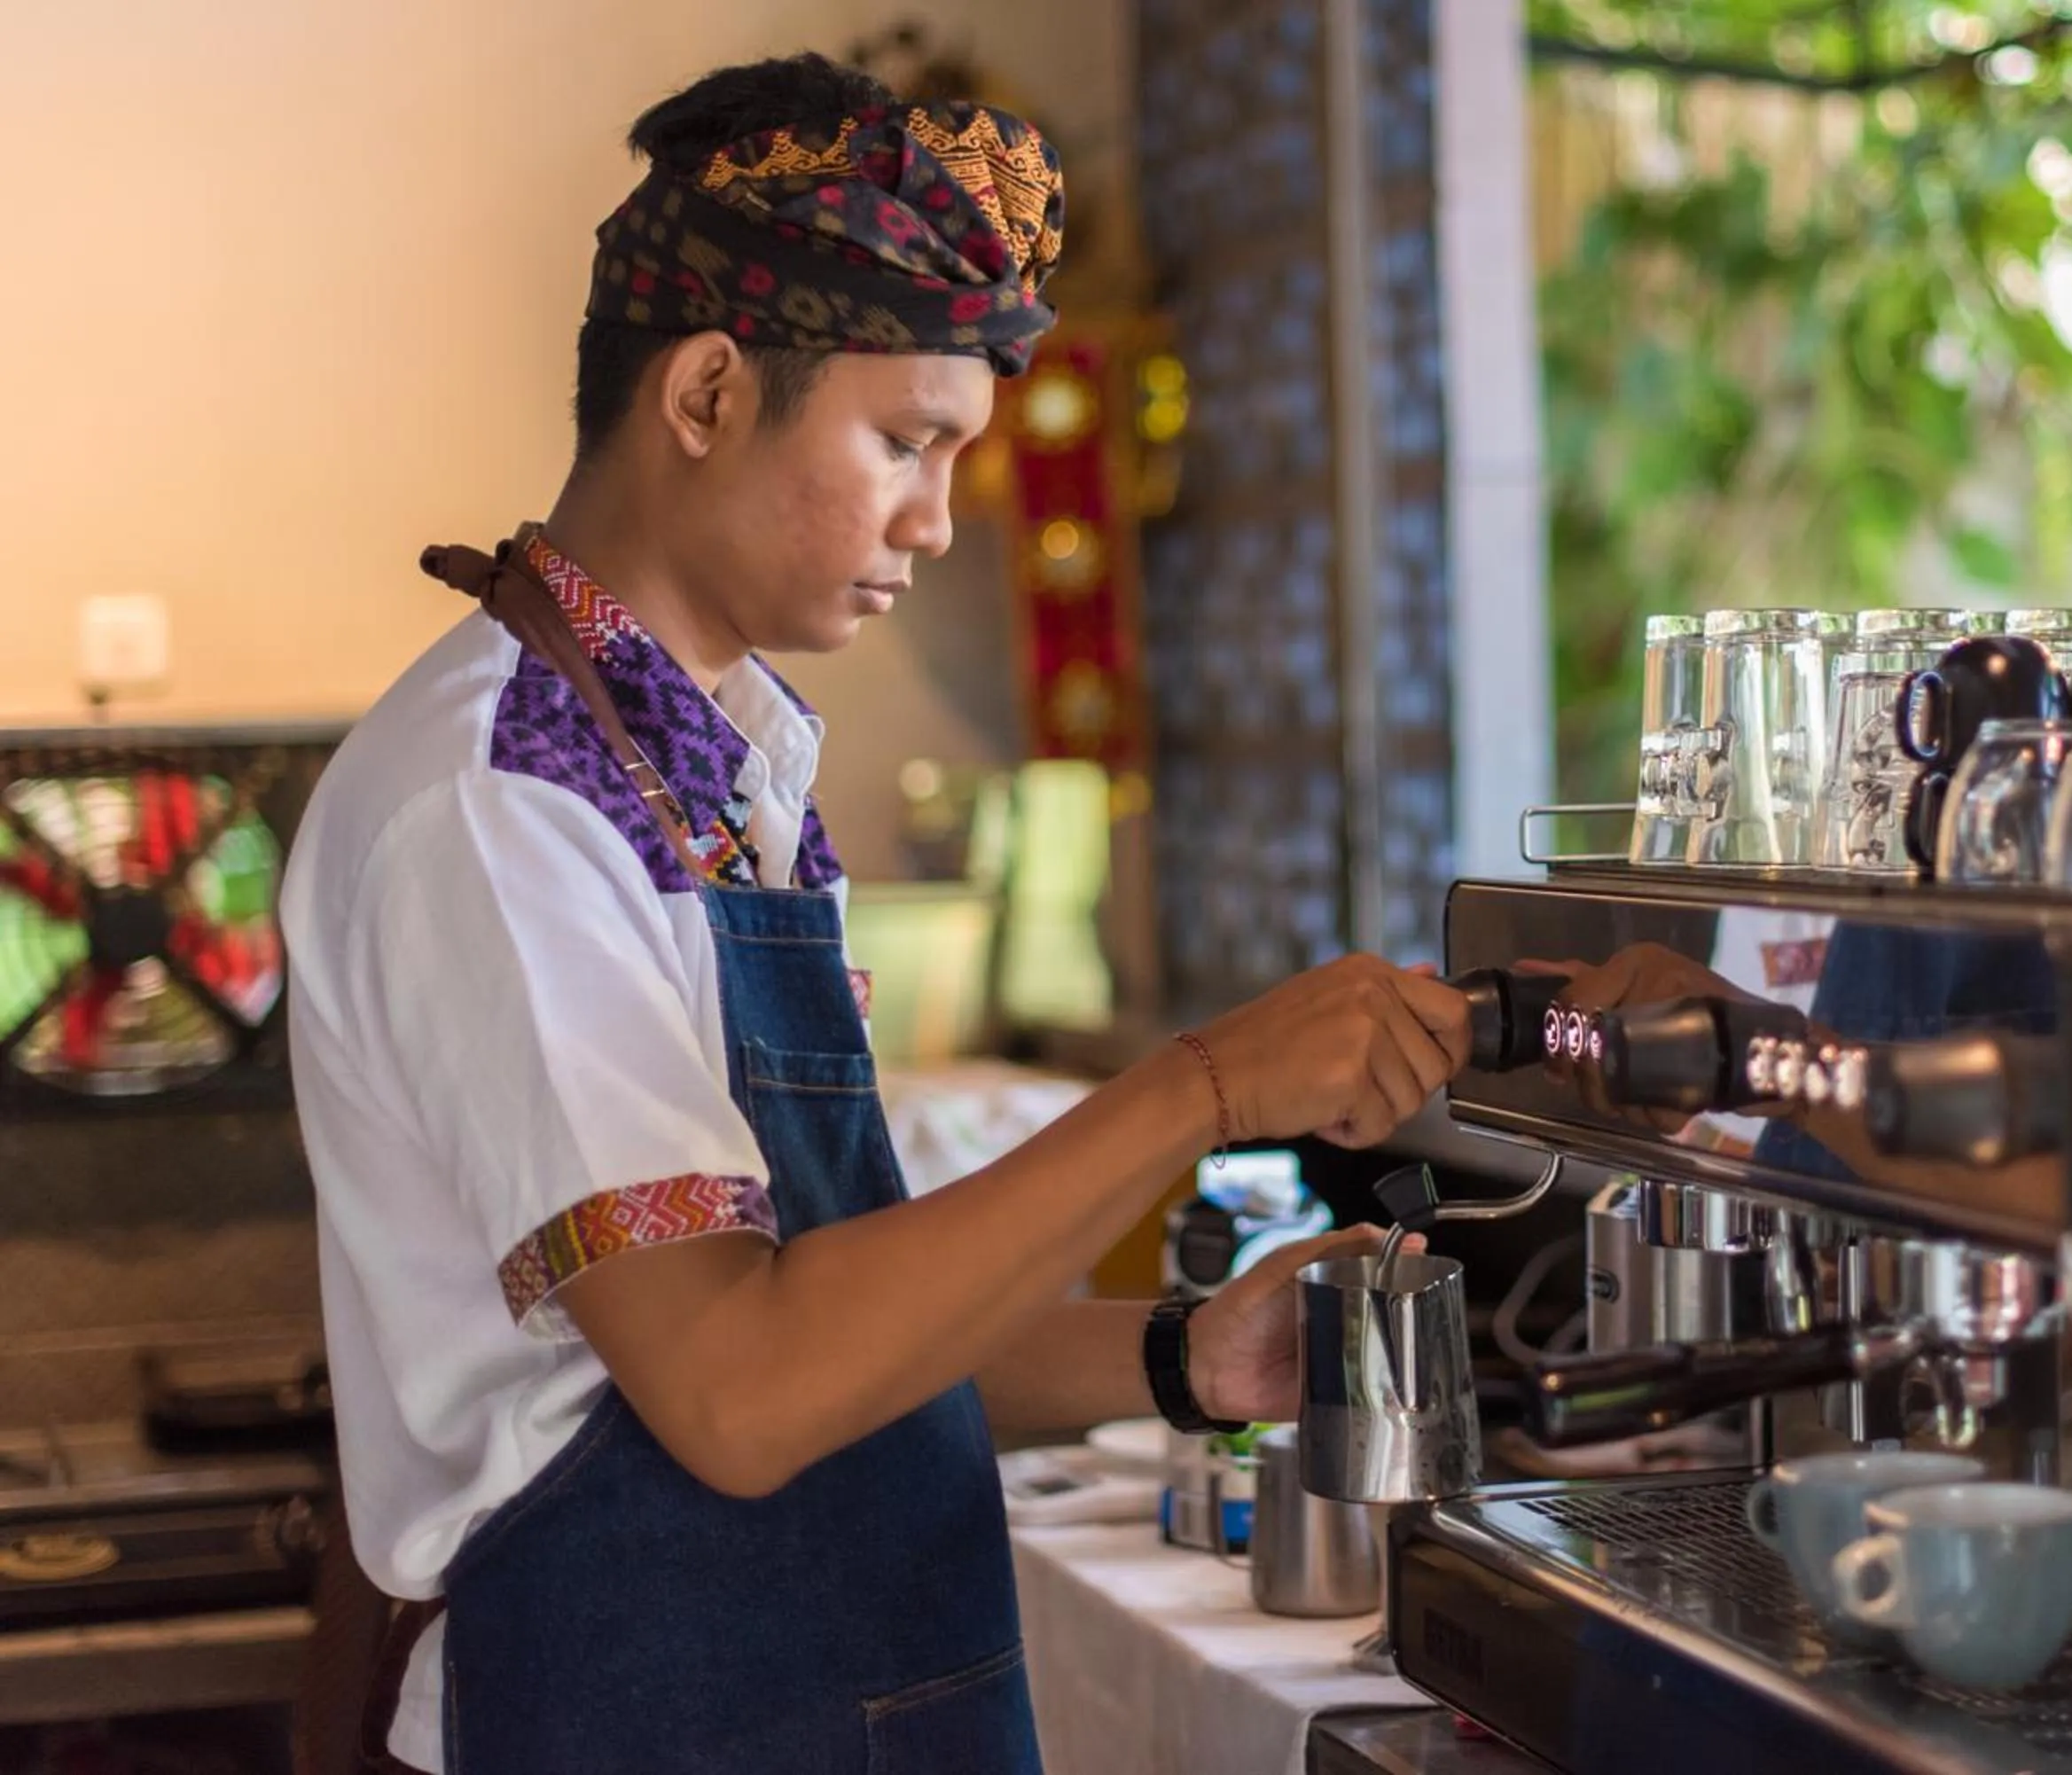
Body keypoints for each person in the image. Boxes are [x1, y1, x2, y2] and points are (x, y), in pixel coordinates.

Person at [282, 53, 1471, 1775]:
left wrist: (1187, 1352)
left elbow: (852, 1333)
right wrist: (1201, 1086)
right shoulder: (511, 798)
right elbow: (744, 1390)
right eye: (907, 442)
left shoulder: (714, 772)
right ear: (705, 391)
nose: (937, 516)